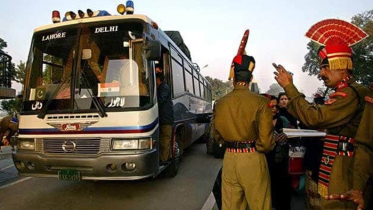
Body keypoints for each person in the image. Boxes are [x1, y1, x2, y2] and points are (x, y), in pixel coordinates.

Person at [273, 18, 371, 209]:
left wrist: (289, 88)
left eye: (325, 68)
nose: (321, 74)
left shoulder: (350, 94)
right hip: (340, 164)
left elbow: (315, 117)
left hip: (348, 170)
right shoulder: (348, 92)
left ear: (342, 67)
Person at [213, 54, 275, 210]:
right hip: (253, 157)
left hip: (230, 158)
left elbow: (217, 136)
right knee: (259, 205)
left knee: (231, 206)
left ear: (233, 76)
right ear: (251, 78)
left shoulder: (220, 103)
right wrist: (258, 149)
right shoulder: (261, 102)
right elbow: (266, 142)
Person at [264, 94, 292, 210]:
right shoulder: (260, 122)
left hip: (281, 162)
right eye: (271, 106)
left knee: (283, 192)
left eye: (276, 106)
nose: (274, 109)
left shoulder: (283, 120)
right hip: (265, 162)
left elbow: (294, 138)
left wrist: (286, 137)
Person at [156, 72, 174, 164]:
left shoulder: (164, 88)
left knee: (165, 140)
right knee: (164, 139)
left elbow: (160, 100)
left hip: (165, 119)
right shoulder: (163, 87)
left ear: (158, 79)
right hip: (164, 118)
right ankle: (167, 157)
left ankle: (164, 159)